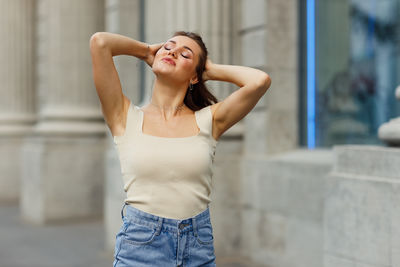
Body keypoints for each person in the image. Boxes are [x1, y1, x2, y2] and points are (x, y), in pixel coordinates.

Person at [90, 30, 271, 267]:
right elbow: (100, 43)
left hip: (198, 244)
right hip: (141, 245)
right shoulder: (124, 116)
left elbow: (260, 81)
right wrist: (146, 51)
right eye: (168, 46)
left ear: (195, 77)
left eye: (185, 54)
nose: (173, 51)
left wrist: (209, 70)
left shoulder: (209, 120)